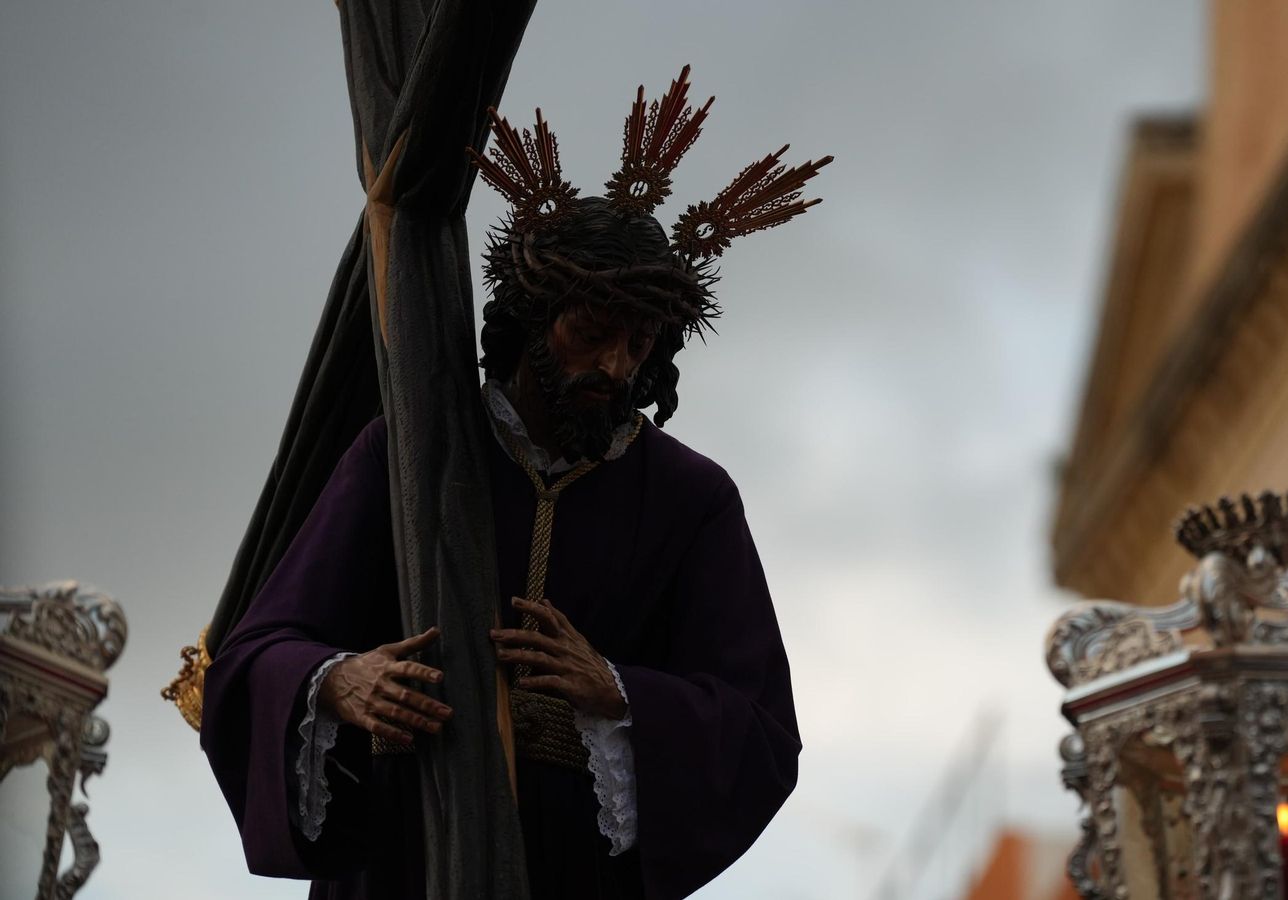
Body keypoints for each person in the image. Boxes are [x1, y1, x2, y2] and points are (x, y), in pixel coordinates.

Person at [200, 68, 831, 899]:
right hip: (403, 860)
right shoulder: (407, 451)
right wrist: (344, 683)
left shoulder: (691, 498)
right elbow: (254, 658)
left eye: (639, 343)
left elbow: (758, 732)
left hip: (572, 874)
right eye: (590, 331)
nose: (613, 365)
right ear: (532, 318)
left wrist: (616, 693)